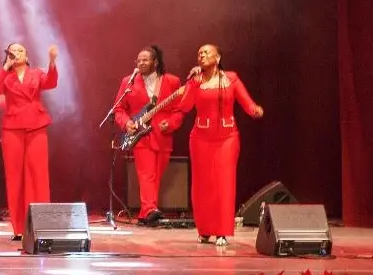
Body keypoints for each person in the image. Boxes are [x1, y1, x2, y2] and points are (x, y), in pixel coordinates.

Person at [176, 44, 263, 246]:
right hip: (200, 138)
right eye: (199, 53)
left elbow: (246, 102)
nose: (202, 55)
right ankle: (205, 230)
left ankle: (222, 231)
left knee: (224, 183)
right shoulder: (195, 80)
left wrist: (254, 110)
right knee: (202, 185)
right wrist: (191, 83)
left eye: (206, 52)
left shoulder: (231, 79)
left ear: (218, 57)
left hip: (227, 138)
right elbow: (185, 106)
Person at [0, 42, 59, 239]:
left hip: (36, 126)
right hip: (12, 129)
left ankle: (41, 225)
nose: (17, 53)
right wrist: (5, 66)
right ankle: (19, 228)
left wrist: (52, 62)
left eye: (21, 51)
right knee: (15, 178)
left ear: (27, 56)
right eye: (13, 51)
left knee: (38, 175)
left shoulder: (36, 73)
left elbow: (51, 83)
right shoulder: (5, 76)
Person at [112, 46, 184, 225]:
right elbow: (119, 109)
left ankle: (145, 215)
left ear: (155, 62)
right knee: (147, 175)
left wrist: (171, 123)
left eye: (145, 60)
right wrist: (126, 122)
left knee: (156, 174)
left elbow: (179, 110)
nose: (141, 63)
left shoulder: (172, 81)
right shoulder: (128, 81)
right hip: (140, 135)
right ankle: (150, 209)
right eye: (138, 60)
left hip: (163, 134)